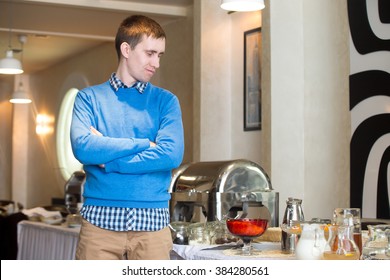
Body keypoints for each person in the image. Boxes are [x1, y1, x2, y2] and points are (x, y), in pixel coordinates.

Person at [70, 15, 184, 260]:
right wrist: (143, 144)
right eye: (150, 53)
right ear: (126, 49)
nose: (157, 63)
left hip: (152, 225)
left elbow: (170, 155)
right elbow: (84, 147)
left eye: (160, 55)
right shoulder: (88, 98)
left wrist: (110, 161)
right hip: (99, 223)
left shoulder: (166, 101)